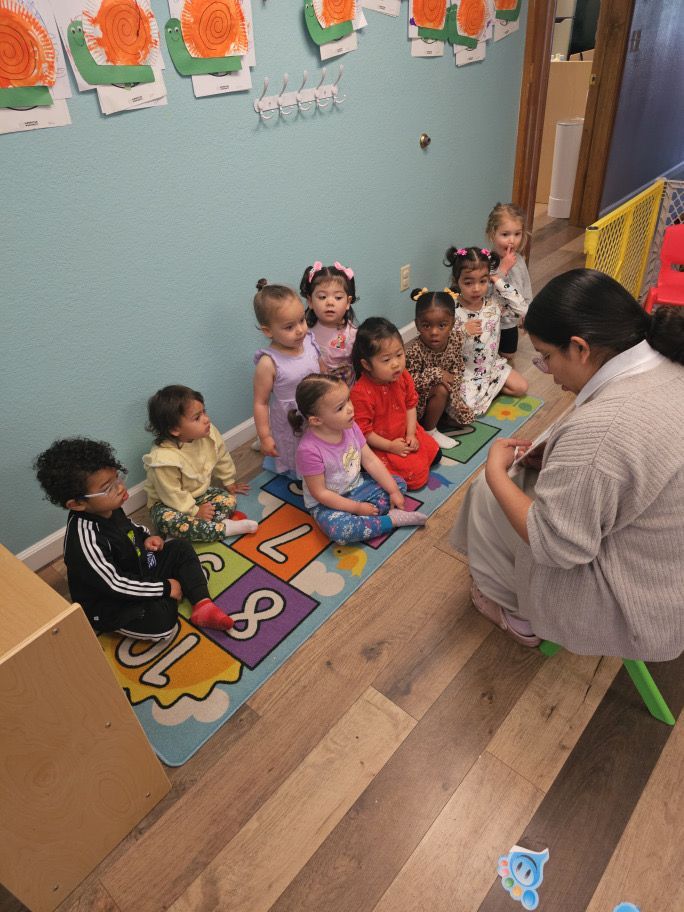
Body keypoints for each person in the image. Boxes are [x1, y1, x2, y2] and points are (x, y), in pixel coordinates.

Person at [451, 269, 684, 660]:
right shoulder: (667, 362)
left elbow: (556, 546)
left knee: (488, 493)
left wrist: (493, 473)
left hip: (642, 606)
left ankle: (514, 609)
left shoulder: (603, 431)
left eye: (544, 356)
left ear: (579, 348)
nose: (545, 368)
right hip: (665, 565)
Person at [34, 438, 235, 639]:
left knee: (180, 547)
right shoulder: (85, 539)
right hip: (111, 599)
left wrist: (147, 538)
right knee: (161, 623)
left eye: (117, 478)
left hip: (139, 567)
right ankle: (175, 589)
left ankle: (203, 604)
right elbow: (114, 583)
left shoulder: (109, 508)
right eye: (108, 487)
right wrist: (165, 587)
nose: (120, 487)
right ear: (77, 504)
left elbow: (130, 527)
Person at [290, 374, 429, 542]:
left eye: (348, 400)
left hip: (358, 485)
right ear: (316, 420)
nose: (350, 408)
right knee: (341, 531)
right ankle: (391, 520)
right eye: (340, 408)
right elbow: (320, 493)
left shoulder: (350, 426)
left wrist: (392, 490)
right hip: (328, 503)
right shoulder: (308, 450)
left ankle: (368, 519)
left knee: (398, 483)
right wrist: (356, 508)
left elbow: (370, 460)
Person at [143, 385, 257, 542]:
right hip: (167, 504)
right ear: (175, 430)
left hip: (198, 494)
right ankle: (222, 528)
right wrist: (194, 511)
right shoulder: (164, 460)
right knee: (165, 520)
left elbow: (221, 455)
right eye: (197, 418)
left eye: (204, 411)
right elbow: (172, 494)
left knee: (228, 500)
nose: (206, 419)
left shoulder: (208, 434)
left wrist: (229, 481)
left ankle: (200, 527)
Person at [350, 317, 440, 490]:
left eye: (399, 354)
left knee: (435, 454)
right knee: (412, 478)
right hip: (381, 444)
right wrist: (390, 446)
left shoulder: (402, 375)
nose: (396, 364)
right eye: (386, 360)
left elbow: (410, 405)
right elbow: (364, 433)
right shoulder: (360, 393)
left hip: (405, 433)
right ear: (366, 364)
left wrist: (411, 434)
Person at [252, 279, 326, 477]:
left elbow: (322, 370)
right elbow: (261, 402)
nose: (300, 329)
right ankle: (299, 472)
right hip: (289, 421)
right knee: (295, 449)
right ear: (268, 331)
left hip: (317, 408)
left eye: (301, 320)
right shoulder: (269, 362)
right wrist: (265, 436)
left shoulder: (309, 342)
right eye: (289, 327)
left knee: (320, 443)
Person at [445, 246, 528, 415]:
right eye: (468, 282)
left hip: (491, 368)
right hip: (465, 373)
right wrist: (462, 331)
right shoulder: (451, 310)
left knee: (521, 387)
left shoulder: (494, 305)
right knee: (462, 411)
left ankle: (484, 394)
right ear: (456, 281)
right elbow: (440, 345)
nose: (476, 288)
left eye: (482, 281)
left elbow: (522, 308)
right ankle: (483, 396)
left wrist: (497, 279)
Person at [405, 287, 475, 450]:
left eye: (442, 325)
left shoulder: (455, 339)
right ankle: (430, 431)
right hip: (415, 403)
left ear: (452, 323)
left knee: (464, 414)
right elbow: (408, 384)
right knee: (441, 389)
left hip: (444, 392)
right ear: (417, 324)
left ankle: (442, 414)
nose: (434, 332)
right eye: (426, 326)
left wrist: (456, 395)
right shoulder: (414, 350)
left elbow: (457, 366)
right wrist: (437, 374)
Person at [485, 202, 533, 359]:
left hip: (509, 321)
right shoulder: (486, 261)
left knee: (508, 354)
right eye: (505, 234)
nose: (512, 240)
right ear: (493, 234)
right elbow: (484, 291)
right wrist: (502, 270)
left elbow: (525, 285)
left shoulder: (519, 260)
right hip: (488, 320)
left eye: (517, 234)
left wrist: (527, 310)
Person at [300, 261, 358, 387]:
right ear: (310, 301)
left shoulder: (352, 334)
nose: (330, 302)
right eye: (322, 297)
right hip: (317, 390)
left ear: (348, 302)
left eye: (338, 297)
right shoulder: (305, 332)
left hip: (346, 392)